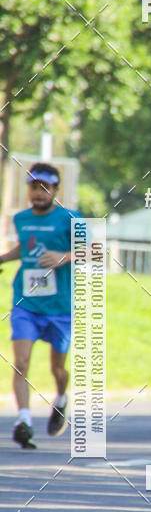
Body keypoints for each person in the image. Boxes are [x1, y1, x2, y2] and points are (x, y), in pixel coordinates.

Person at [0, 163, 79, 448]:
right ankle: (24, 421)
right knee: (20, 363)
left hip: (60, 308)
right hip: (26, 304)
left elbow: (95, 250)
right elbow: (25, 247)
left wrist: (64, 257)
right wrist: (3, 258)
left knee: (58, 369)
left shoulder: (71, 218)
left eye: (45, 187)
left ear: (56, 190)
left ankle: (61, 398)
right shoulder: (21, 219)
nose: (39, 192)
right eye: (34, 186)